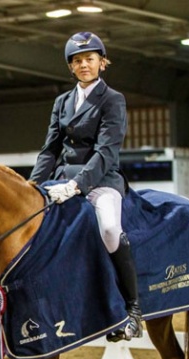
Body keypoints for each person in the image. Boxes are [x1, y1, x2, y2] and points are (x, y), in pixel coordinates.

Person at [28, 32, 142, 342]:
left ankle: (132, 311)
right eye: (77, 61)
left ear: (102, 63)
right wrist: (32, 186)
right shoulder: (62, 102)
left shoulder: (112, 99)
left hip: (101, 181)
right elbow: (50, 149)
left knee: (108, 228)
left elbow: (106, 151)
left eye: (89, 59)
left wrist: (77, 185)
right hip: (60, 180)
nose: (83, 65)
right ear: (71, 67)